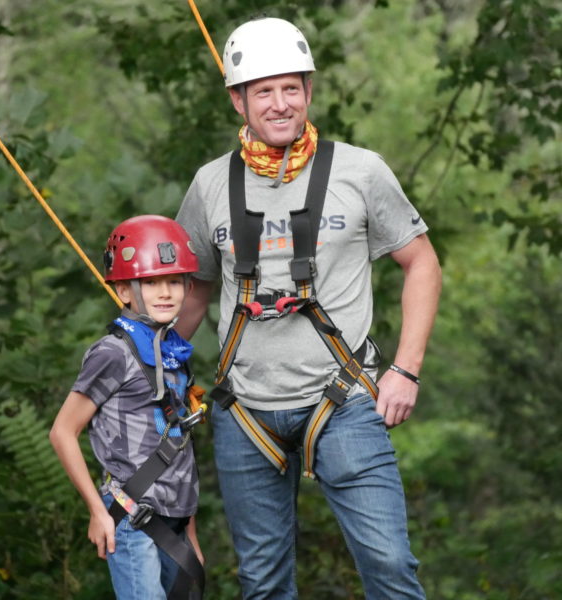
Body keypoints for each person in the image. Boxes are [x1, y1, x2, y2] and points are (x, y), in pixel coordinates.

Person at [175, 16, 441, 600]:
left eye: (291, 88)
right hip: (244, 409)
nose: (279, 103)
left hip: (342, 401)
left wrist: (405, 369)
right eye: (263, 91)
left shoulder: (360, 171)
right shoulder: (210, 185)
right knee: (263, 585)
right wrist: (150, 362)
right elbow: (192, 289)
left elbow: (422, 263)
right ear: (237, 101)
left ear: (309, 92)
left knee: (391, 567)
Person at [50, 215, 206, 600]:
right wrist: (97, 511)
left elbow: (177, 446)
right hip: (131, 517)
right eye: (151, 282)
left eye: (173, 281)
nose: (165, 292)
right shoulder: (113, 354)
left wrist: (190, 533)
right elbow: (62, 432)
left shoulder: (172, 355)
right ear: (124, 290)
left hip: (176, 519)